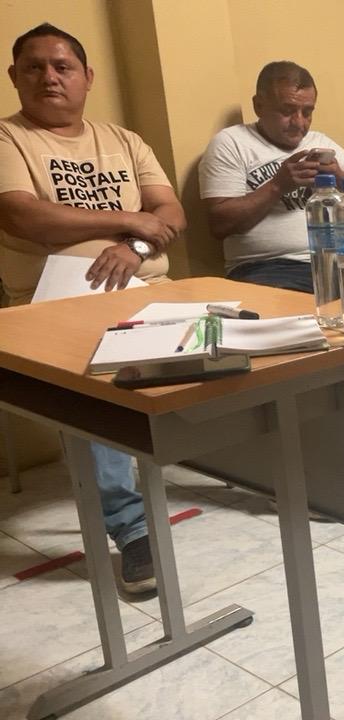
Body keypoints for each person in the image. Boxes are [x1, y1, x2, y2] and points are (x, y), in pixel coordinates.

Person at [0, 24, 187, 593]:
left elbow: (171, 213)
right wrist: (129, 221)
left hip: (150, 290)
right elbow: (24, 217)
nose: (49, 77)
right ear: (14, 78)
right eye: (34, 67)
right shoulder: (8, 138)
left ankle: (268, 469)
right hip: (55, 304)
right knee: (99, 387)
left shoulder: (125, 140)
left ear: (87, 77)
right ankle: (133, 528)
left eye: (62, 66)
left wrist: (135, 248)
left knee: (245, 340)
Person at [199, 61, 344, 310]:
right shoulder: (232, 143)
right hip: (268, 269)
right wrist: (278, 186)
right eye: (287, 110)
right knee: (308, 323)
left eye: (307, 112)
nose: (299, 122)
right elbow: (220, 224)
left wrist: (339, 176)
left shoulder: (318, 142)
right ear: (259, 105)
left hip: (338, 263)